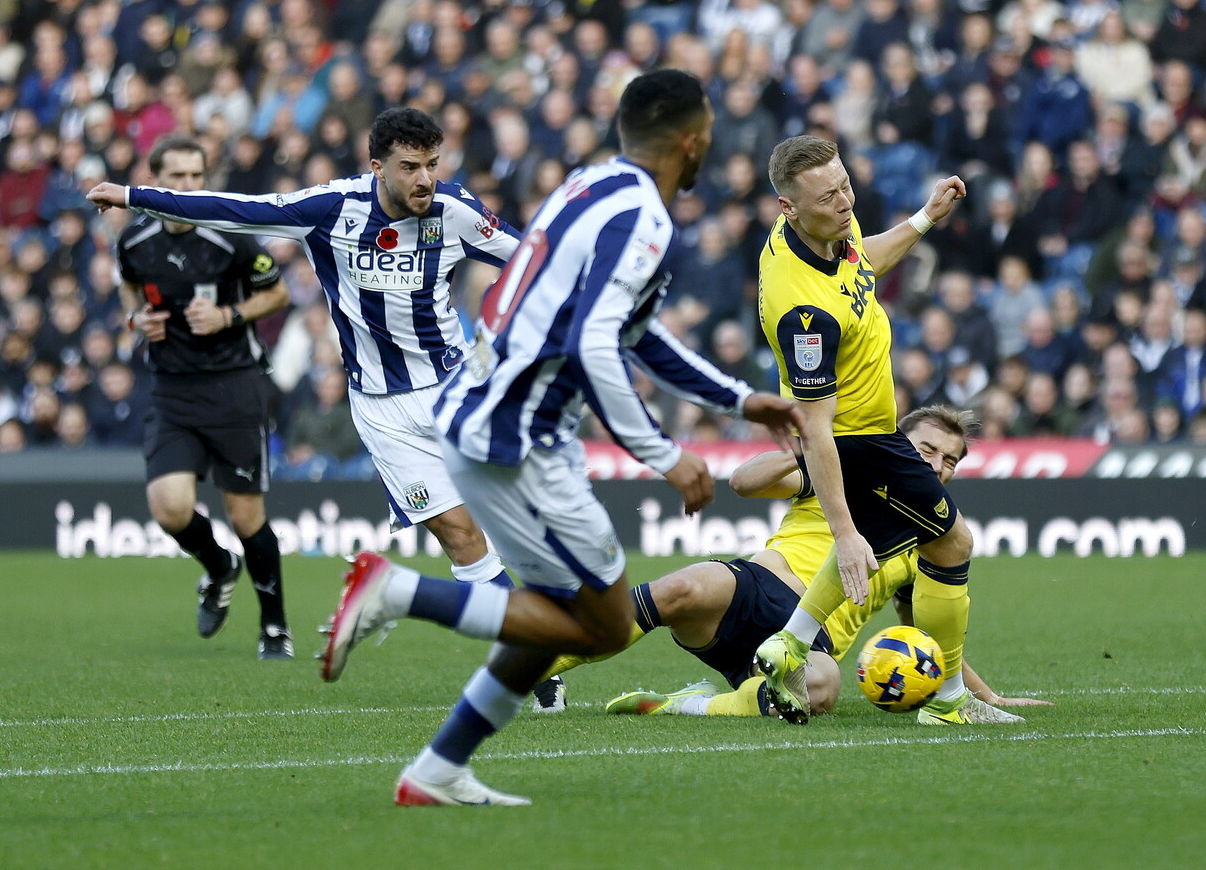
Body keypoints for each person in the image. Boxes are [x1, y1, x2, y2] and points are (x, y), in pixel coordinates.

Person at [314, 70, 805, 806]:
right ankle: (397, 591)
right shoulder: (644, 220)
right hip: (522, 437)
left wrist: (736, 398)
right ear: (692, 140)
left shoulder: (589, 185)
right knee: (603, 626)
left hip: (478, 413)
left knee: (554, 622)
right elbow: (595, 345)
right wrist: (665, 455)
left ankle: (438, 769)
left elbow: (631, 333)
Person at [88, 111, 553, 691]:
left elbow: (532, 258)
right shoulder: (330, 209)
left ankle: (541, 633)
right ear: (377, 166)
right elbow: (235, 209)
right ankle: (534, 661)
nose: (425, 180)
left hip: (456, 393)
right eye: (410, 167)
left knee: (515, 522)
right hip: (382, 409)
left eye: (433, 165)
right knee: (459, 536)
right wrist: (136, 197)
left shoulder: (453, 210)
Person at [593, 407, 1048, 721]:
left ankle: (686, 704)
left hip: (811, 643)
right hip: (757, 587)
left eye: (949, 461)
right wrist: (808, 449)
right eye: (926, 450)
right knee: (682, 589)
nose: (936, 467)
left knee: (824, 687)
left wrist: (986, 696)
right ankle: (541, 665)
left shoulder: (928, 546)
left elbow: (930, 636)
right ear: (897, 443)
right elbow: (742, 482)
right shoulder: (840, 472)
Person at [753, 135, 987, 725]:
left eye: (845, 185)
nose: (845, 201)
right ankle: (952, 704)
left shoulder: (827, 229)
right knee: (952, 542)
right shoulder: (804, 313)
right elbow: (814, 430)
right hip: (856, 440)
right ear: (788, 207)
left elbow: (866, 259)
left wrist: (924, 218)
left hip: (871, 432)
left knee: (890, 541)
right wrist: (841, 527)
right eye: (828, 195)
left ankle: (788, 642)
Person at [113, 136, 293, 658]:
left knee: (245, 517)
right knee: (169, 508)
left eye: (197, 176)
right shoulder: (135, 239)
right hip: (171, 389)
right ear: (154, 182)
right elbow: (127, 286)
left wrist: (229, 316)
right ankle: (219, 567)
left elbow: (278, 292)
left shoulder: (229, 236)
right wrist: (135, 319)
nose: (189, 186)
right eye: (178, 177)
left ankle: (275, 627)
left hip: (234, 386)